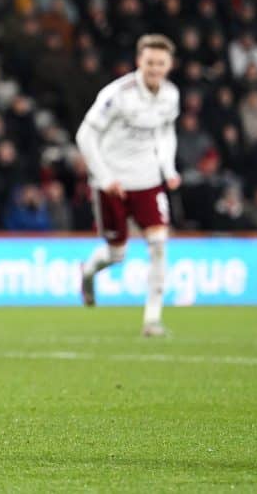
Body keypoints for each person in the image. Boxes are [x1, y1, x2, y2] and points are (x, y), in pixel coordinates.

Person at [75, 34, 181, 337]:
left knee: (159, 245)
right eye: (150, 62)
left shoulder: (171, 95)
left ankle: (152, 321)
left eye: (161, 63)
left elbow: (165, 133)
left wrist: (168, 168)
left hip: (148, 180)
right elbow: (85, 135)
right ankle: (87, 272)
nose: (155, 68)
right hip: (113, 182)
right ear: (139, 62)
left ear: (169, 65)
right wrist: (105, 177)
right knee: (116, 254)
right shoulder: (118, 94)